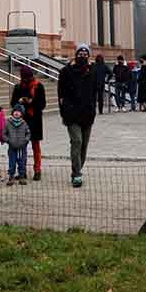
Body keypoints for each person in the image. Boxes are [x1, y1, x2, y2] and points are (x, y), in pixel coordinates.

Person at [58, 43, 97, 188]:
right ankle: (76, 174)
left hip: (87, 115)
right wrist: (64, 111)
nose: (83, 56)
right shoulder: (66, 72)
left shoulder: (91, 71)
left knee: (84, 146)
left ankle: (78, 168)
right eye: (80, 53)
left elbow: (95, 92)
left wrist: (94, 110)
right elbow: (60, 93)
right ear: (76, 55)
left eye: (85, 54)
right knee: (77, 142)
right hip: (72, 114)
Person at [12, 66, 46, 181]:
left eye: (28, 77)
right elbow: (13, 103)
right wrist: (20, 101)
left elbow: (42, 104)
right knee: (22, 147)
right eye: (24, 77)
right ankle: (22, 170)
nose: (26, 79)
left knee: (35, 146)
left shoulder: (38, 86)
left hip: (35, 119)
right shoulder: (18, 87)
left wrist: (31, 102)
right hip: (22, 120)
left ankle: (37, 170)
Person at [2, 104, 32, 186]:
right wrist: (8, 141)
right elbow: (4, 134)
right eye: (15, 111)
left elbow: (28, 133)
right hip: (12, 147)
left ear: (21, 114)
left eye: (18, 112)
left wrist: (25, 141)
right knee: (12, 162)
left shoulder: (24, 123)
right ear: (12, 112)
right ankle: (11, 176)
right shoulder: (8, 122)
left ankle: (21, 176)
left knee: (22, 162)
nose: (16, 113)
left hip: (22, 147)